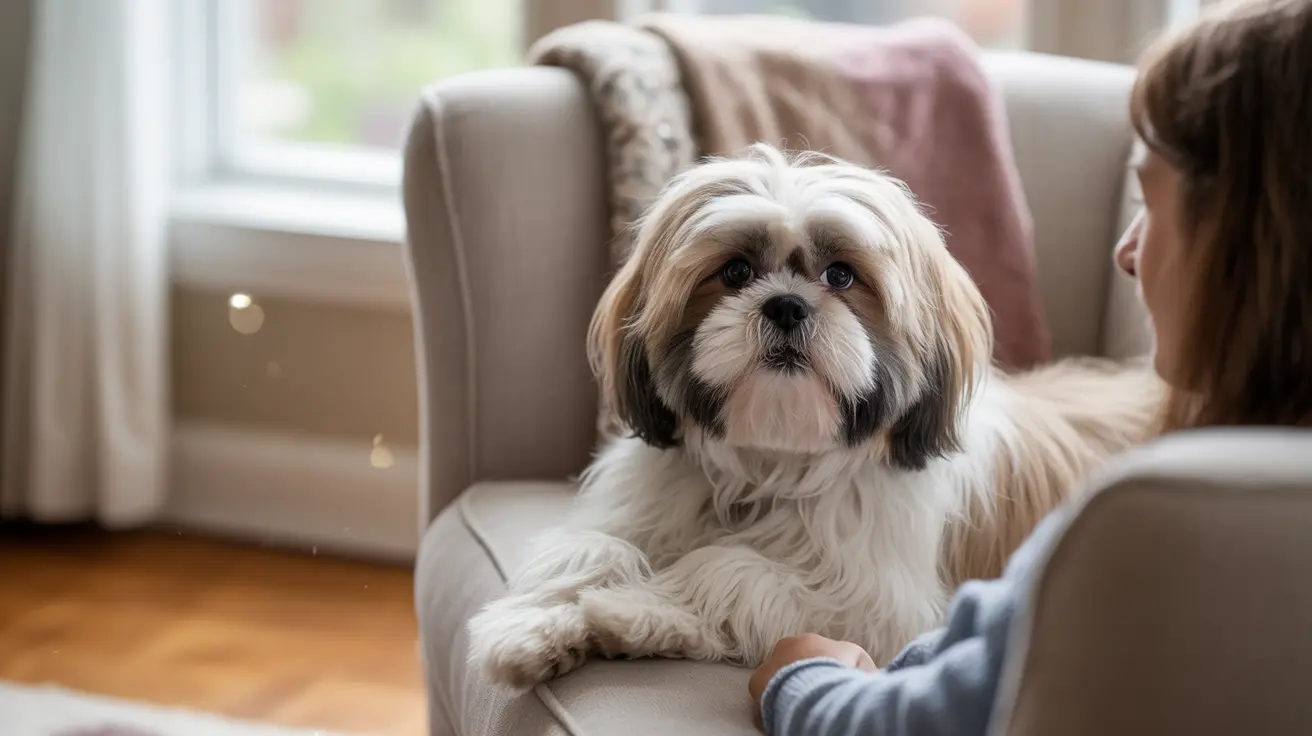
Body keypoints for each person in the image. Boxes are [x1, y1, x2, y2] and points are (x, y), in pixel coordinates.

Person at [748, 0, 1312, 733]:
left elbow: (903, 726)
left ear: (1251, 240)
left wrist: (800, 674)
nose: (1127, 251)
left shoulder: (1154, 521)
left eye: (1151, 203)